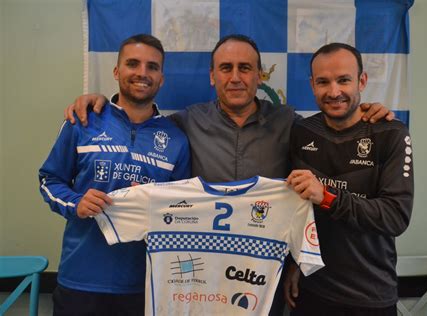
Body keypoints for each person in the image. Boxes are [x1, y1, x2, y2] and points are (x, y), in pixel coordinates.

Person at [63, 34, 394, 315]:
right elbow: (140, 118)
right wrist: (103, 103)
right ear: (212, 76)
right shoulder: (185, 124)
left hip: (264, 276)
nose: (235, 77)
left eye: (245, 68)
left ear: (259, 76)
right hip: (198, 277)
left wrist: (366, 113)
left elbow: (332, 127)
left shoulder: (288, 123)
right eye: (226, 68)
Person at [39, 34, 190, 316]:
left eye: (152, 67)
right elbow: (50, 180)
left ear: (162, 78)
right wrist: (76, 203)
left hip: (143, 286)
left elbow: (181, 211)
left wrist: (156, 205)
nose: (142, 73)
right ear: (117, 71)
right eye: (133, 64)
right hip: (80, 280)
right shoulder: (83, 121)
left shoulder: (176, 140)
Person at [285, 42, 414, 315]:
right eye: (323, 82)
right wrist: (295, 265)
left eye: (343, 80)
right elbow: (297, 211)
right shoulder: (301, 132)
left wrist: (328, 197)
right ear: (312, 85)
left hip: (370, 295)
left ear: (362, 81)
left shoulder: (391, 133)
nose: (334, 92)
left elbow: (395, 217)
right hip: (311, 291)